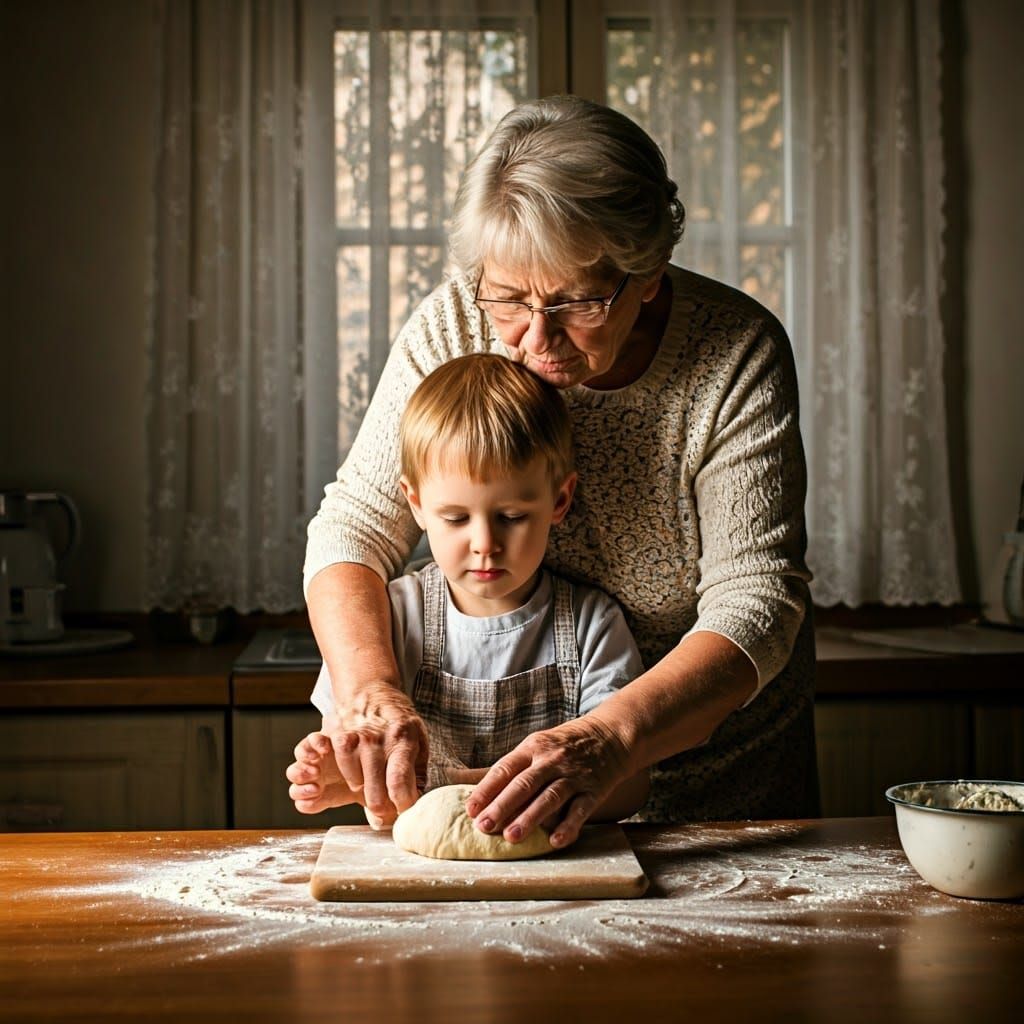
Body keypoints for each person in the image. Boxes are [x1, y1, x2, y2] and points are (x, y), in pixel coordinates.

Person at [302, 94, 817, 850]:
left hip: (721, 796)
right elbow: (354, 524)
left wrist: (609, 741)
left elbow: (757, 600)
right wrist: (371, 691)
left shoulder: (734, 352)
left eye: (576, 300)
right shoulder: (452, 321)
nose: (535, 340)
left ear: (647, 272)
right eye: (509, 298)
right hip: (500, 796)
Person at [287, 353, 649, 827]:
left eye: (512, 517)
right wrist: (350, 778)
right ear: (415, 504)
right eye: (456, 518)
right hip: (420, 879)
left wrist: (463, 788)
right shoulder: (394, 617)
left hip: (554, 872)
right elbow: (364, 746)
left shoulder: (592, 625)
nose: (485, 544)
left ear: (559, 500)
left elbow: (630, 787)